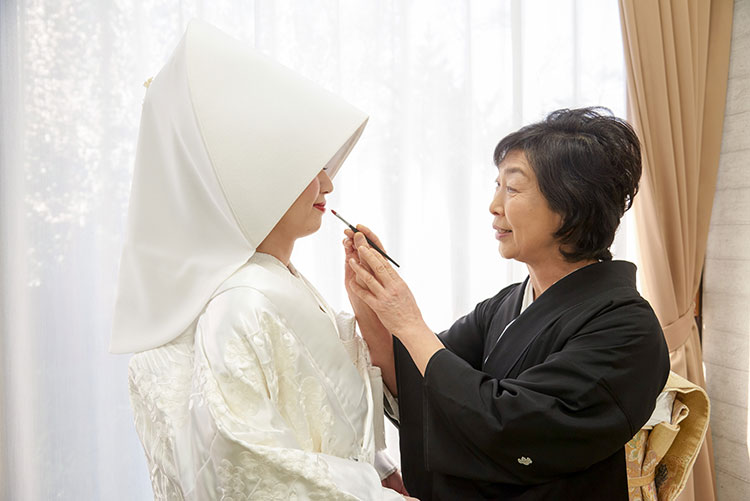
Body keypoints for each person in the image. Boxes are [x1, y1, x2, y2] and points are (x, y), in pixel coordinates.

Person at [110, 20, 409, 500]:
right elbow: (246, 460)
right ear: (259, 178)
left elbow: (330, 415)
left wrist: (380, 469)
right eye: (311, 168)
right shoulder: (242, 301)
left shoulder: (277, 284)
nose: (328, 185)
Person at [344, 107, 671, 500]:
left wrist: (410, 324)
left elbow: (512, 429)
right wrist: (372, 302)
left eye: (512, 189)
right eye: (496, 186)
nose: (494, 205)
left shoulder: (627, 327)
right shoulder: (507, 304)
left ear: (571, 205)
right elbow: (417, 378)